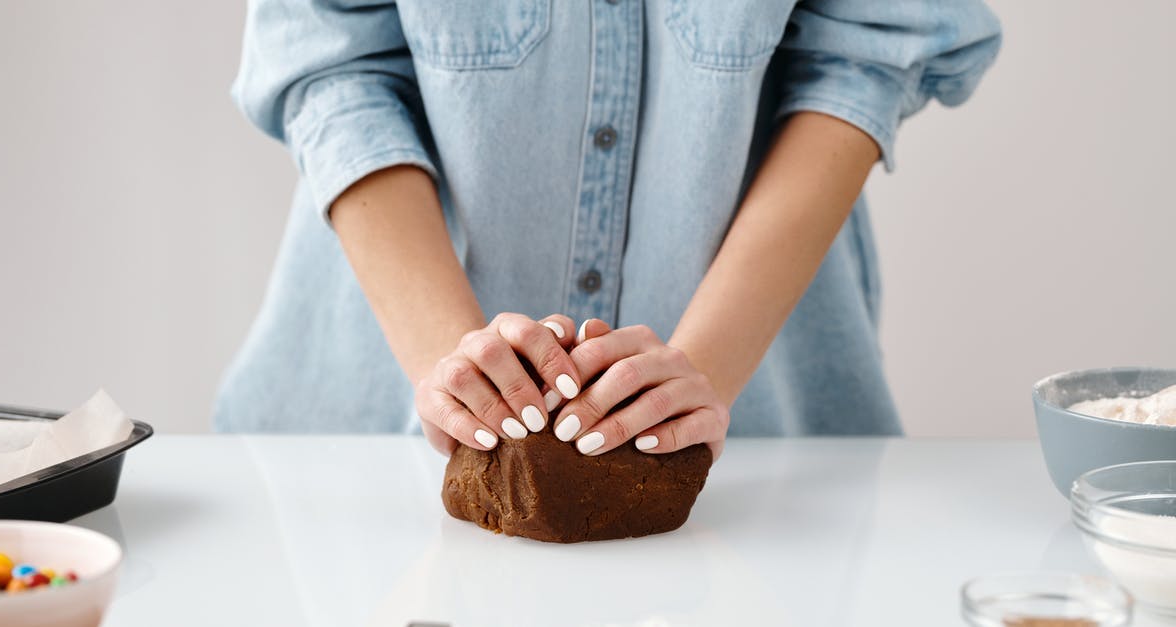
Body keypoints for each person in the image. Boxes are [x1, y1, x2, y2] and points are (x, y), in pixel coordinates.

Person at [216, 0, 1001, 460]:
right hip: (362, 430)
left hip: (767, 432)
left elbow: (867, 51)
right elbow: (328, 57)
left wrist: (703, 374)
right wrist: (450, 370)